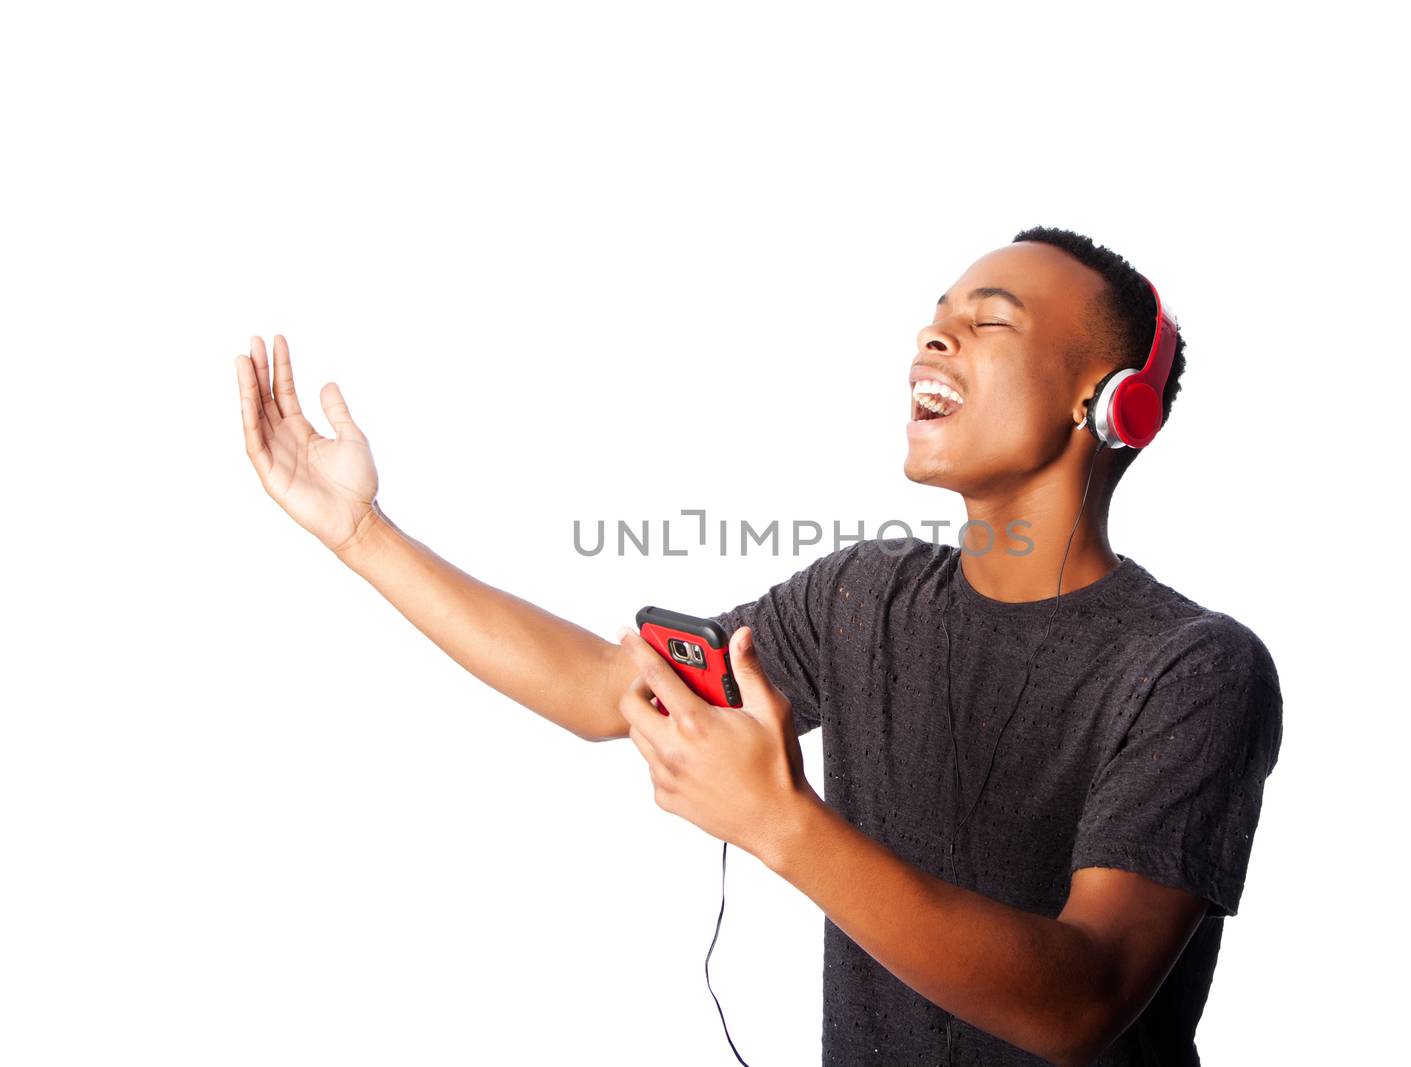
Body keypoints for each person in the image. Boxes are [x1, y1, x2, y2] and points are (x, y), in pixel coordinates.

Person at [233, 225, 1283, 1066]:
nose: (933, 338)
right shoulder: (863, 595)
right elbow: (612, 687)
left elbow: (1080, 1001)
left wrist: (781, 824)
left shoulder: (1193, 669)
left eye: (987, 321)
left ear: (1107, 401)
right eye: (933, 318)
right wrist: (361, 534)